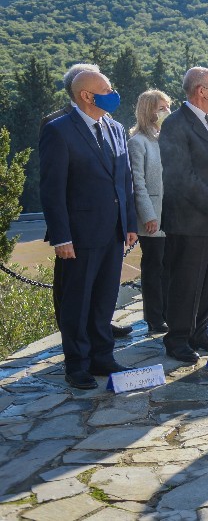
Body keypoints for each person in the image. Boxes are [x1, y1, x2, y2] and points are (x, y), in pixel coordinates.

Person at [39, 70, 138, 389]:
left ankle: (102, 356)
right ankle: (77, 364)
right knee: (77, 302)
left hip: (113, 230)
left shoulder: (116, 127)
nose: (113, 94)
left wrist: (130, 222)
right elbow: (52, 190)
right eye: (106, 89)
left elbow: (125, 179)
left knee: (104, 298)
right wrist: (62, 236)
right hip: (79, 234)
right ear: (86, 95)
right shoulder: (59, 130)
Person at [160, 67, 208, 363]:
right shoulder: (175, 124)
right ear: (201, 90)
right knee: (186, 281)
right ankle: (178, 338)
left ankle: (200, 332)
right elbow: (181, 176)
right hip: (189, 220)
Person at [127, 89, 172, 334]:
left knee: (169, 267)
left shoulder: (166, 139)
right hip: (153, 216)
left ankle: (169, 311)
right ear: (148, 111)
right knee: (154, 268)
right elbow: (138, 182)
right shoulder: (138, 142)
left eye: (167, 107)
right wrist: (148, 215)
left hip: (172, 215)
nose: (167, 112)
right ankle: (155, 318)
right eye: (161, 108)